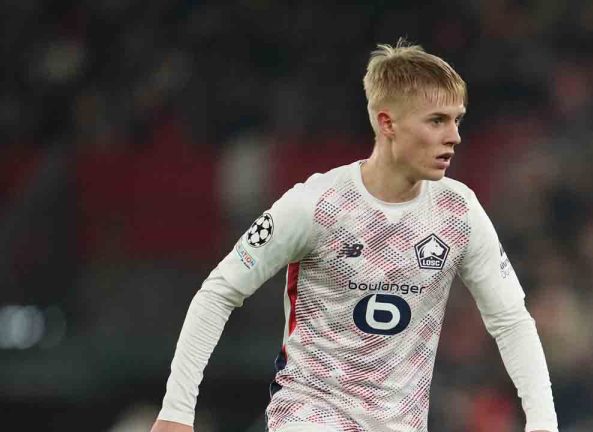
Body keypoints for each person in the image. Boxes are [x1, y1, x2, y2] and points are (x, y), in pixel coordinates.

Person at [151, 38, 558, 432]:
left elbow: (511, 320)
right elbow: (219, 292)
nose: (454, 135)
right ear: (387, 123)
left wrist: (543, 422)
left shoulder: (458, 211)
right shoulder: (316, 204)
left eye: (457, 120)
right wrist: (177, 410)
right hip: (309, 416)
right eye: (437, 120)